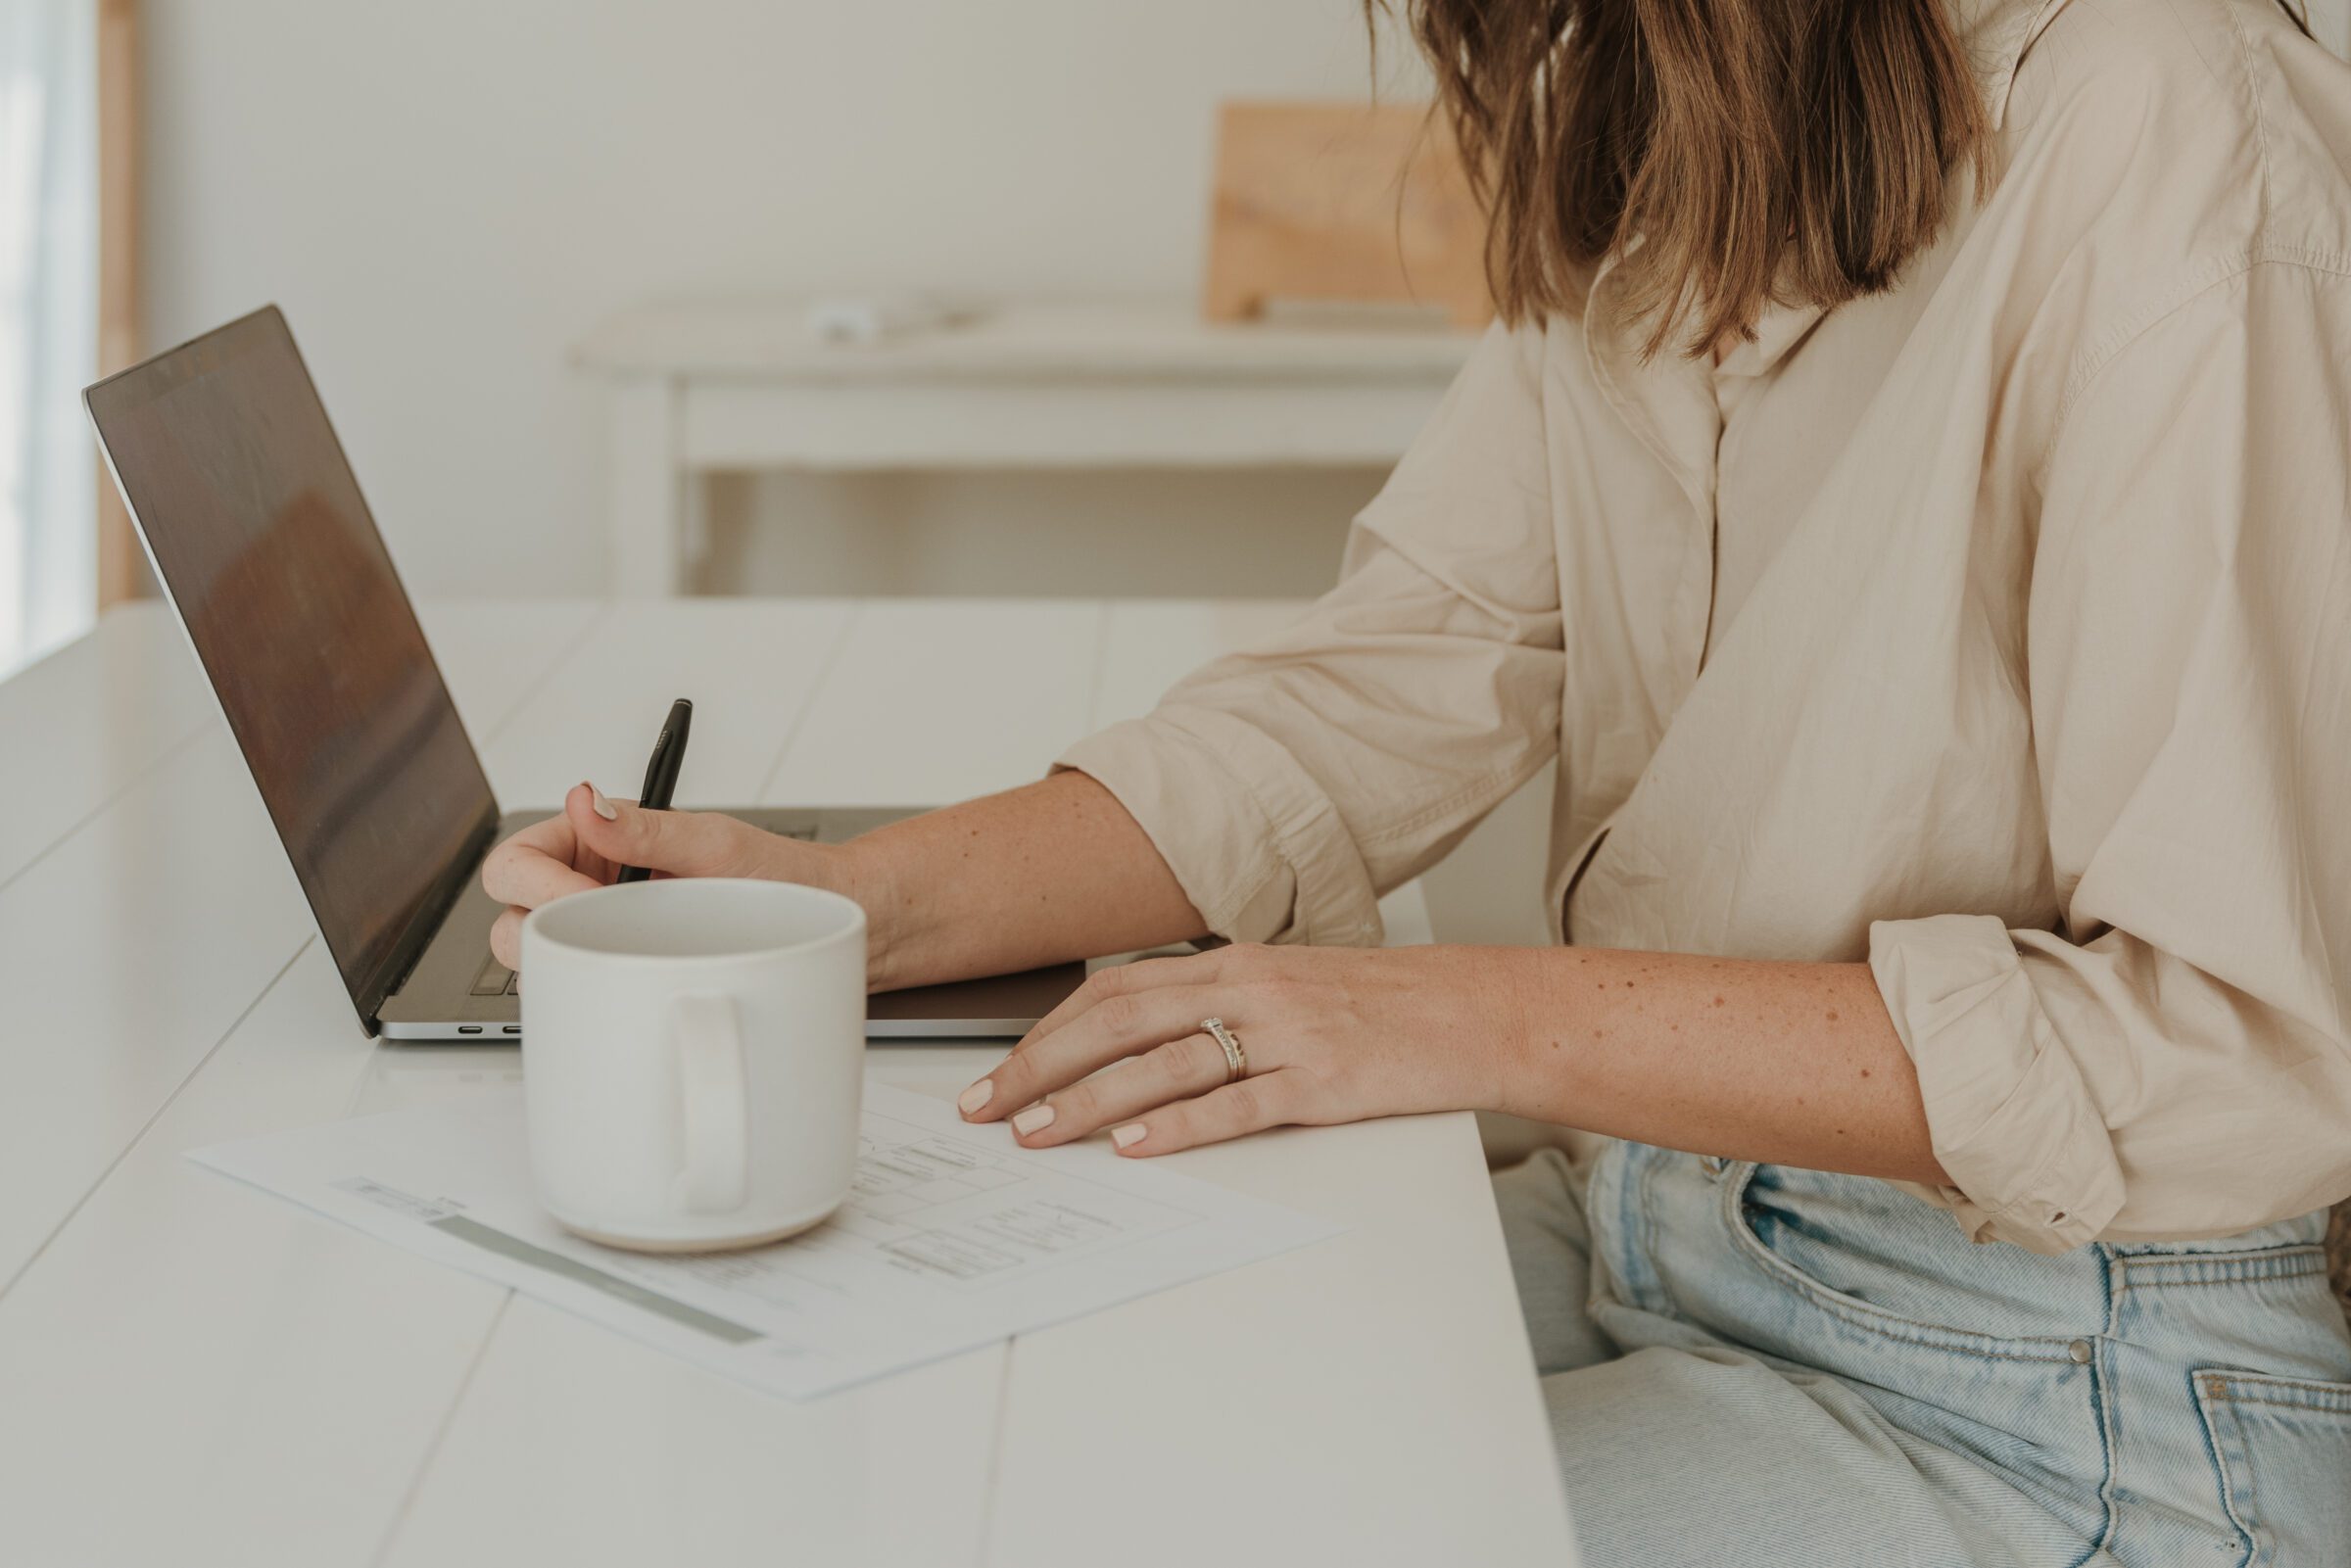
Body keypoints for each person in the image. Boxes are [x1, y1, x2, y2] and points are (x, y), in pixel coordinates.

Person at [486, 0, 2351, 1560]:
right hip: (1664, 1223)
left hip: (2070, 1397)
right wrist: (837, 907)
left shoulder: (2173, 136)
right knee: (1005, 1446)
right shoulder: (1677, 90)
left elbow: (2244, 1045)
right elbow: (1381, 682)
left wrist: (1459, 1017)